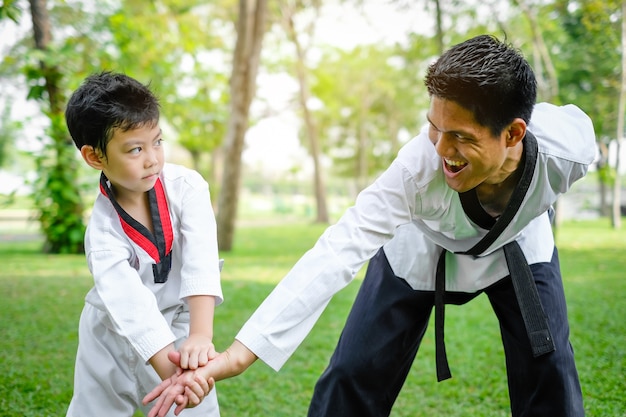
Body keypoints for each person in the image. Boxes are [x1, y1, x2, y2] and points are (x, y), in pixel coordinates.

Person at [145, 34, 595, 417]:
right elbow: (336, 251)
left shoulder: (568, 152)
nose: (442, 148)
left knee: (550, 369)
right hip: (420, 254)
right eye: (433, 128)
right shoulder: (416, 171)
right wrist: (239, 356)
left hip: (518, 247)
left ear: (514, 134)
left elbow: (579, 128)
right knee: (353, 374)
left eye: (461, 136)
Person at [64, 71, 223, 417]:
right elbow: (130, 307)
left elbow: (201, 263)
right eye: (135, 149)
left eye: (157, 141)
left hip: (182, 329)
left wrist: (200, 337)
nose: (152, 158)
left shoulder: (188, 188)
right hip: (111, 334)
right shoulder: (103, 233)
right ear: (95, 158)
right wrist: (178, 380)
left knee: (197, 413)